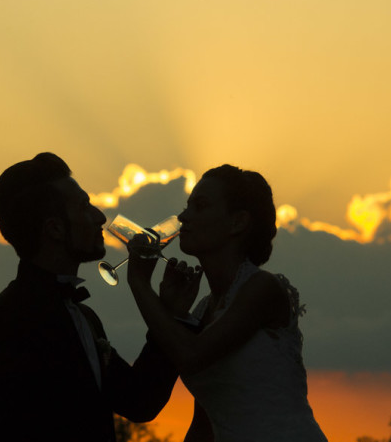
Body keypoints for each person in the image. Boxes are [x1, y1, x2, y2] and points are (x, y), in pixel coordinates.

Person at [0, 152, 180, 442]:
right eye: (84, 206)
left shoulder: (84, 318)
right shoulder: (2, 323)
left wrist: (170, 313)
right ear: (54, 228)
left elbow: (139, 401)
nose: (99, 217)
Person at [126, 164, 328, 442]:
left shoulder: (262, 289)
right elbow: (205, 423)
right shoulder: (204, 310)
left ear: (238, 223)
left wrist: (138, 283)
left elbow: (192, 356)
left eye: (201, 206)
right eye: (188, 206)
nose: (184, 216)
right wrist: (174, 313)